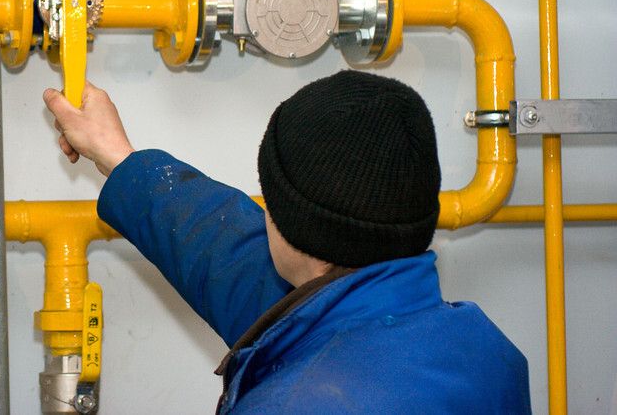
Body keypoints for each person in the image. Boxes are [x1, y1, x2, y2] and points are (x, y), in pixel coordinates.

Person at [42, 70, 531, 414]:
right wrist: (119, 157)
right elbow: (233, 258)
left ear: (291, 225)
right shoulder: (488, 355)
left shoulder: (288, 404)